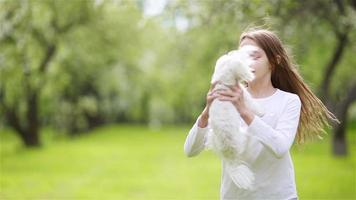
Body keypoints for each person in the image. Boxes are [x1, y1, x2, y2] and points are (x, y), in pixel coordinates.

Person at [184, 28, 337, 200]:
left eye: (254, 56)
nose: (246, 62)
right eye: (242, 57)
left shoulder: (289, 101)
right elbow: (190, 150)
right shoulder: (227, 99)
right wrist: (207, 112)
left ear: (274, 61)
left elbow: (280, 147)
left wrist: (244, 111)